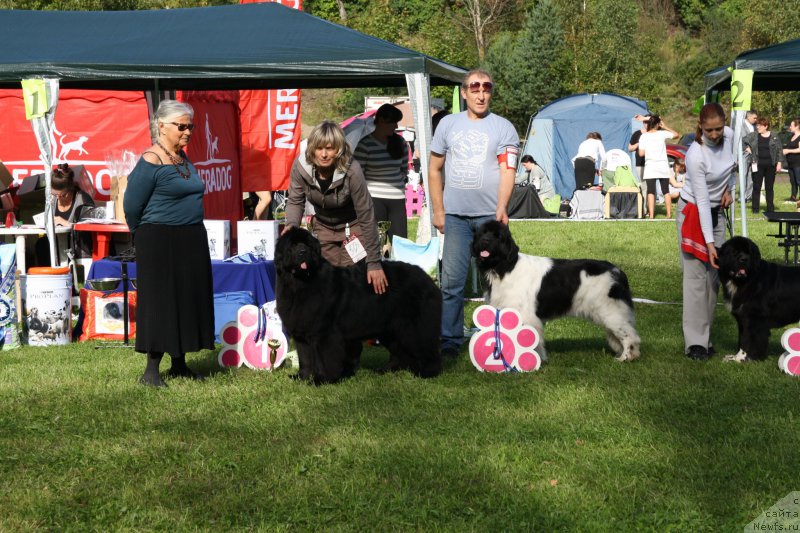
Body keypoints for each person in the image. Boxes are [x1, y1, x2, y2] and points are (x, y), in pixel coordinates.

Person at [428, 68, 519, 359]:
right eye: (475, 88)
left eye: (486, 88)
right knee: (451, 283)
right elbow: (434, 169)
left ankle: (502, 338)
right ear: (464, 93)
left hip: (490, 220)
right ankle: (449, 342)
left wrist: (502, 206)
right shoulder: (447, 125)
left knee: (501, 280)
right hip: (455, 218)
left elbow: (508, 170)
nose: (481, 94)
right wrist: (439, 211)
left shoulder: (504, 127)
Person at [124, 100, 214, 387]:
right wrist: (141, 235)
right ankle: (151, 372)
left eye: (191, 126)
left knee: (186, 299)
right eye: (182, 126)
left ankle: (179, 364)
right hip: (159, 239)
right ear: (161, 126)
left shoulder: (182, 158)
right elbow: (131, 206)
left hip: (190, 237)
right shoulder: (151, 160)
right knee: (161, 303)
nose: (188, 132)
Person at [283, 120, 387, 293]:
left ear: (338, 149)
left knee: (351, 282)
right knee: (327, 282)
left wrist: (374, 262)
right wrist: (291, 225)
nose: (324, 154)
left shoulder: (352, 170)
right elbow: (295, 200)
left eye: (329, 148)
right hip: (323, 228)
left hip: (353, 229)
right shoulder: (300, 167)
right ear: (312, 149)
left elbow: (366, 215)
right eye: (319, 148)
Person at [676, 103, 736, 360]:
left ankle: (706, 337)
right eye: (709, 130)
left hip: (716, 212)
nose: (714, 135)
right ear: (700, 126)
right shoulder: (695, 155)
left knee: (713, 279)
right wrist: (710, 244)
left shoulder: (730, 136)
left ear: (725, 124)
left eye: (718, 129)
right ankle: (695, 344)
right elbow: (701, 201)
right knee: (695, 279)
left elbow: (734, 167)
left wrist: (729, 188)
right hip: (692, 212)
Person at [353, 103, 408, 241]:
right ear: (382, 120)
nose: (396, 126)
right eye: (393, 122)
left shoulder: (401, 142)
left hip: (398, 199)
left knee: (401, 241)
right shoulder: (365, 144)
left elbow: (404, 169)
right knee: (376, 240)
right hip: (374, 199)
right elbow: (358, 174)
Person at [35, 163, 95, 265]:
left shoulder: (83, 200)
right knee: (41, 244)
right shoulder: (52, 199)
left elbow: (90, 229)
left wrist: (67, 223)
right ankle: (49, 273)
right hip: (56, 240)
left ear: (71, 188)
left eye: (63, 195)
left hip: (76, 244)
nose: (58, 198)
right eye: (55, 194)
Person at [743, 117, 786, 213]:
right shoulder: (753, 135)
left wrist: (779, 163)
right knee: (756, 187)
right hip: (757, 165)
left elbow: (779, 150)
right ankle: (755, 209)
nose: (757, 127)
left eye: (760, 125)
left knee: (769, 188)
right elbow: (741, 141)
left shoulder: (774, 136)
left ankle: (770, 209)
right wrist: (746, 148)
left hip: (771, 166)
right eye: (757, 125)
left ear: (766, 126)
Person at [638, 115, 678, 218]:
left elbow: (641, 154)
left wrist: (649, 150)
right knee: (666, 190)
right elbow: (676, 135)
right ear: (657, 124)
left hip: (650, 166)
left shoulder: (643, 136)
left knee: (651, 191)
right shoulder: (662, 134)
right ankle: (668, 214)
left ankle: (651, 215)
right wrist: (665, 127)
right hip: (662, 166)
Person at [629, 114, 649, 215]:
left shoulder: (655, 133)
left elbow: (659, 119)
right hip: (640, 163)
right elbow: (630, 148)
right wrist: (638, 144)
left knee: (651, 187)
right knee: (644, 186)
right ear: (642, 123)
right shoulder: (637, 134)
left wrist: (645, 118)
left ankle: (650, 208)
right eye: (645, 122)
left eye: (649, 122)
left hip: (652, 163)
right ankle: (644, 209)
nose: (647, 124)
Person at [783, 117, 800, 203]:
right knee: (793, 181)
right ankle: (793, 197)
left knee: (799, 181)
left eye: (791, 125)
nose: (790, 127)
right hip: (790, 163)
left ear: (797, 126)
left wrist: (788, 151)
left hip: (798, 163)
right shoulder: (791, 136)